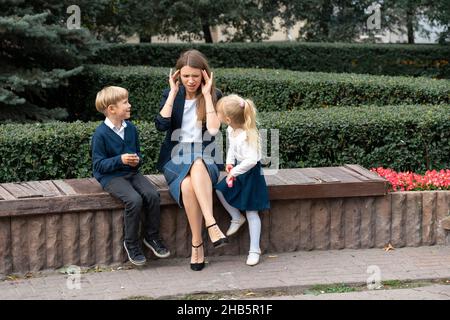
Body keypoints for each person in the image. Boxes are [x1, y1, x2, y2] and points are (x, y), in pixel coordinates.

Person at [155, 49, 228, 271]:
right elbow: (161, 125)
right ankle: (211, 223)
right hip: (175, 159)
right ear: (178, 75)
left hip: (206, 158)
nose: (190, 80)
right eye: (186, 75)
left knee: (189, 182)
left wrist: (207, 95)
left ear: (204, 75)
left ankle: (197, 244)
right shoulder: (171, 95)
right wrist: (171, 93)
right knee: (190, 170)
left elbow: (214, 131)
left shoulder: (214, 95)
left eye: (195, 76)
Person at [92, 86, 170, 266]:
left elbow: (137, 155)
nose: (129, 105)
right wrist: (120, 160)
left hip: (131, 173)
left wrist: (136, 161)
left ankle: (151, 237)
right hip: (110, 177)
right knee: (134, 200)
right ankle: (131, 243)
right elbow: (98, 165)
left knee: (152, 195)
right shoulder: (100, 134)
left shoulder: (131, 128)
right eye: (125, 102)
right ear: (112, 109)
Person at [215, 94, 270, 266]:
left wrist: (234, 172)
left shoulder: (248, 135)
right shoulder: (231, 130)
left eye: (218, 112)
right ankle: (236, 217)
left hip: (250, 174)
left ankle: (255, 249)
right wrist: (230, 162)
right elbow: (231, 148)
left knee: (252, 212)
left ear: (228, 118)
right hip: (239, 170)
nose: (216, 114)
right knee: (219, 189)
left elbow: (252, 160)